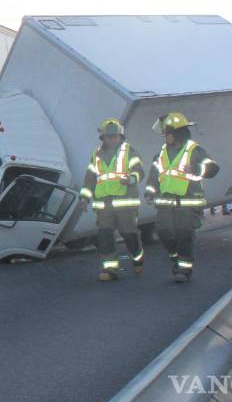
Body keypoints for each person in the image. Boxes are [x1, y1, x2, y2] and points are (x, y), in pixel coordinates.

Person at [144, 111, 219, 283]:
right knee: (163, 232)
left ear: (177, 133)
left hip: (188, 203)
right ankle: (176, 256)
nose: (165, 138)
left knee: (184, 234)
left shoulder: (195, 150)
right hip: (165, 203)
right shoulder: (161, 153)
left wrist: (195, 168)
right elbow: (154, 175)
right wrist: (149, 191)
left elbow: (214, 169)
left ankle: (183, 270)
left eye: (167, 134)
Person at [79, 118, 146, 281]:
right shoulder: (96, 155)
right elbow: (90, 179)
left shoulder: (129, 151)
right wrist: (84, 198)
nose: (112, 139)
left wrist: (131, 179)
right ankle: (110, 269)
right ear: (103, 138)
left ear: (121, 136)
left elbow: (139, 171)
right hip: (104, 206)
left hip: (126, 204)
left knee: (129, 235)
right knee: (105, 236)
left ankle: (137, 257)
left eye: (115, 136)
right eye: (108, 137)